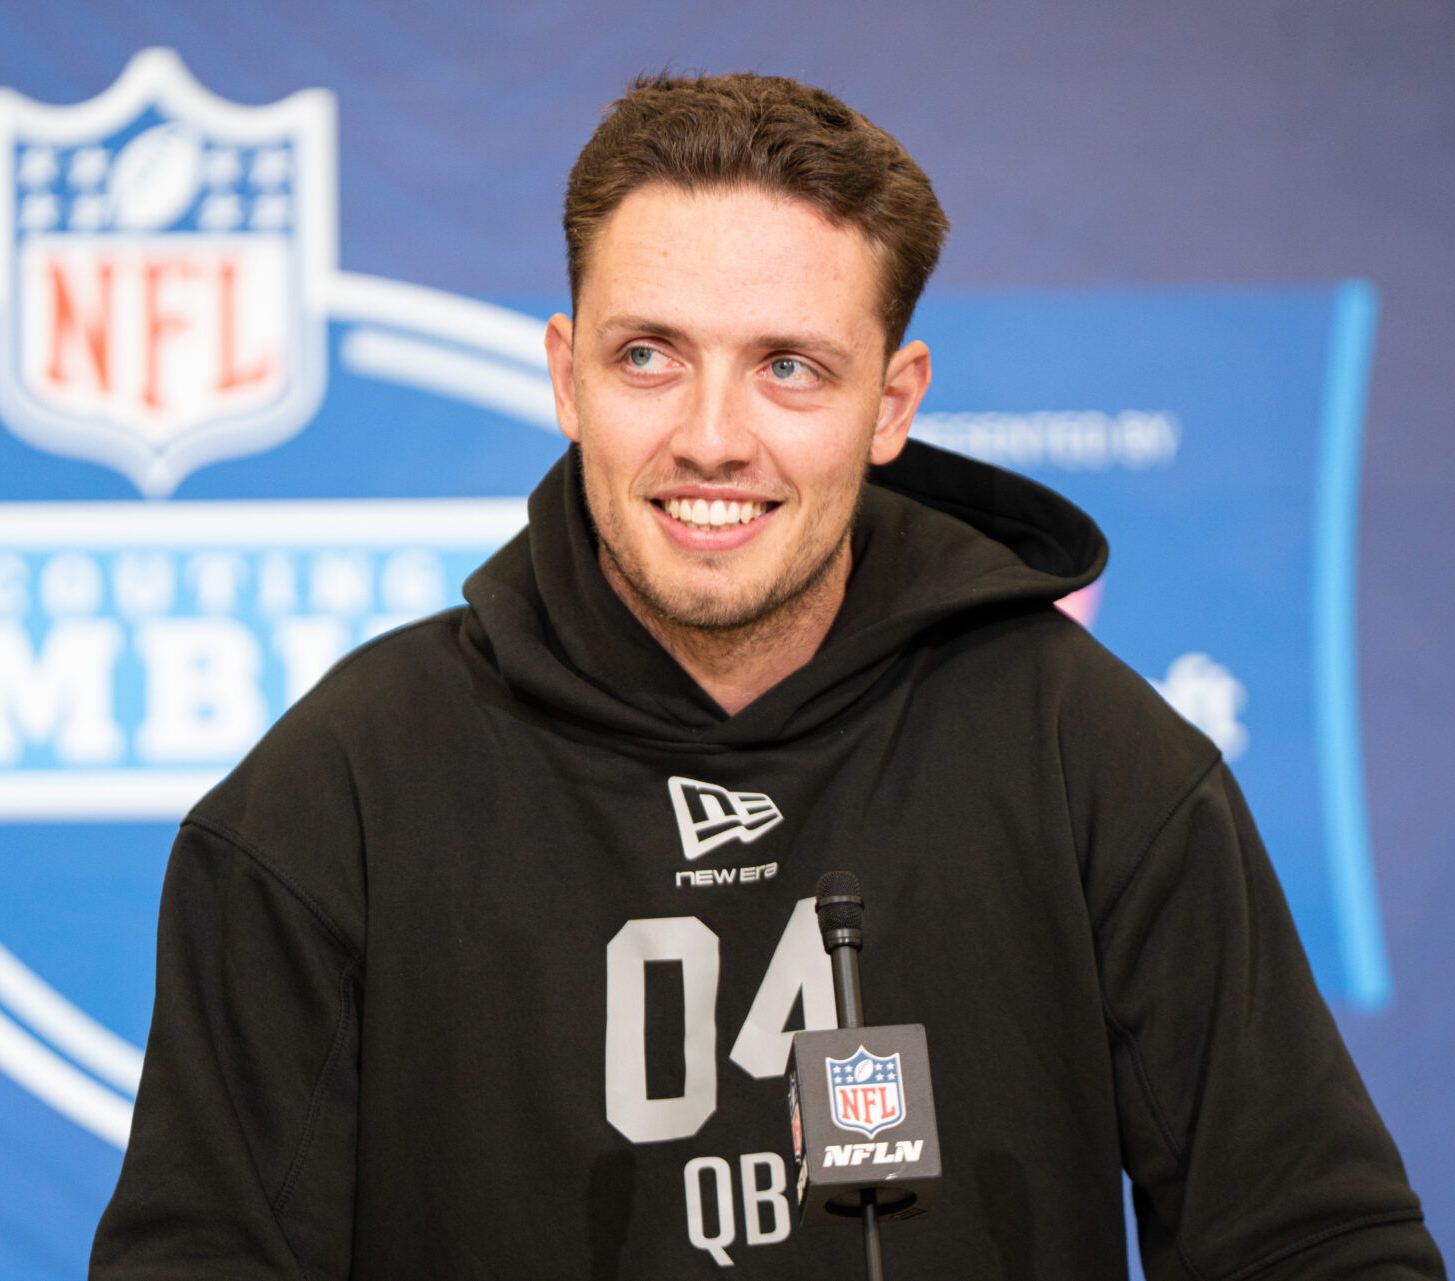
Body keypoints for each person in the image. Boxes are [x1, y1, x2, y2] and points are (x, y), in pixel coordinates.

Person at [90, 73, 1442, 1279]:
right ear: (566, 376)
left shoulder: (1093, 757)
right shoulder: (334, 798)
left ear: (894, 402)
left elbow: (1316, 1242)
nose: (712, 436)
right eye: (648, 356)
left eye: (790, 367)